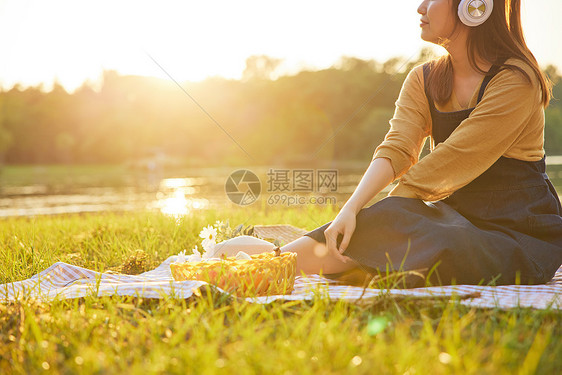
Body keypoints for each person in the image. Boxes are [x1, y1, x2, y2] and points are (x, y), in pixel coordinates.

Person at [280, 0, 562, 287]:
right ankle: (271, 262)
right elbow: (397, 149)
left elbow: (456, 157)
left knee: (405, 234)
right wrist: (351, 209)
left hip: (518, 236)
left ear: (473, 6)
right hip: (456, 220)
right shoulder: (423, 79)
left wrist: (385, 216)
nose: (420, 7)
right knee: (399, 233)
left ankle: (275, 263)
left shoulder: (517, 79)